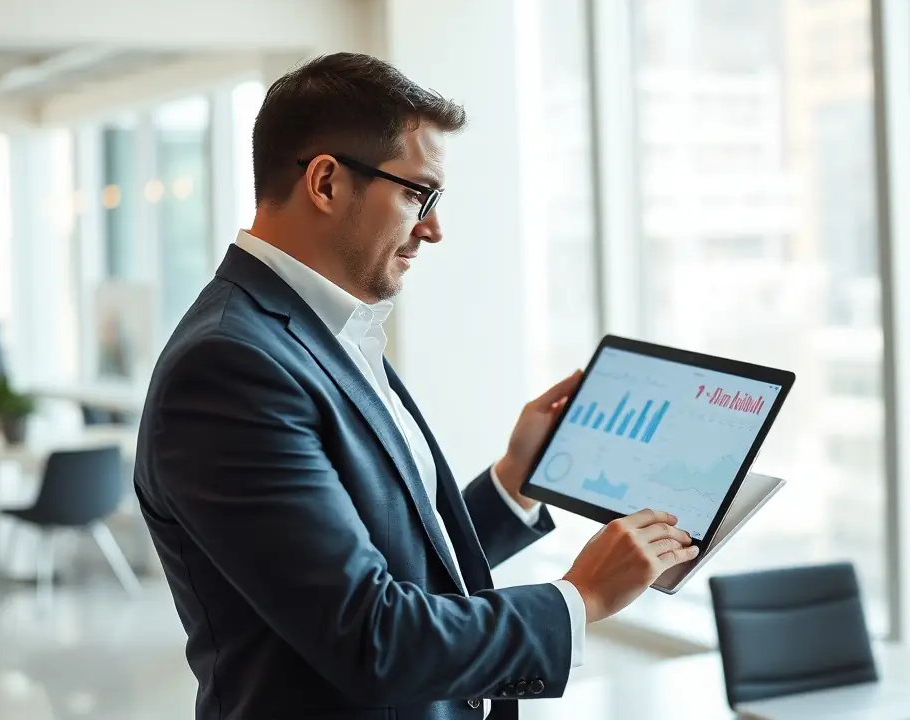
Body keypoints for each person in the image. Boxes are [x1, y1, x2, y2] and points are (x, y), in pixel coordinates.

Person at [133, 52, 699, 720]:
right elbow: (373, 637)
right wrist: (582, 596)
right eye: (416, 194)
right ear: (325, 183)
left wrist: (514, 480)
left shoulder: (326, 330)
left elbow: (389, 564)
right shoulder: (229, 368)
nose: (433, 228)